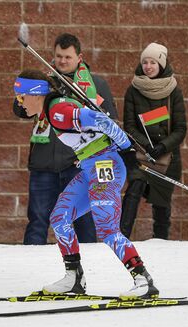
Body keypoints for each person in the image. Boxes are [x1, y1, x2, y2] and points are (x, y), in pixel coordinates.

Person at [13, 69, 159, 298]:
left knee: (106, 226)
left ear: (35, 93)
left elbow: (102, 120)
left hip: (106, 165)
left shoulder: (58, 111)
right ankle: (74, 279)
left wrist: (127, 149)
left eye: (21, 97)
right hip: (90, 166)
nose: (19, 103)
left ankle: (143, 279)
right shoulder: (50, 110)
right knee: (59, 217)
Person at [13, 33, 117, 245]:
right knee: (38, 219)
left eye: (67, 57)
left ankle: (89, 267)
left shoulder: (95, 85)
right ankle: (31, 265)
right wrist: (29, 91)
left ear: (79, 57)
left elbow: (110, 121)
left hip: (78, 164)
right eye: (59, 56)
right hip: (44, 163)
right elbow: (20, 110)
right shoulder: (44, 81)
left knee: (84, 221)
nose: (62, 61)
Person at [120, 42, 187, 240]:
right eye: (145, 62)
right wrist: (146, 145)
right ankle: (121, 237)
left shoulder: (174, 91)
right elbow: (129, 126)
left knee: (162, 205)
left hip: (168, 157)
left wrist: (162, 146)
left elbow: (180, 129)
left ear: (162, 65)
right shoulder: (133, 90)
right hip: (142, 154)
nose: (148, 66)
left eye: (153, 62)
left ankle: (161, 242)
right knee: (134, 189)